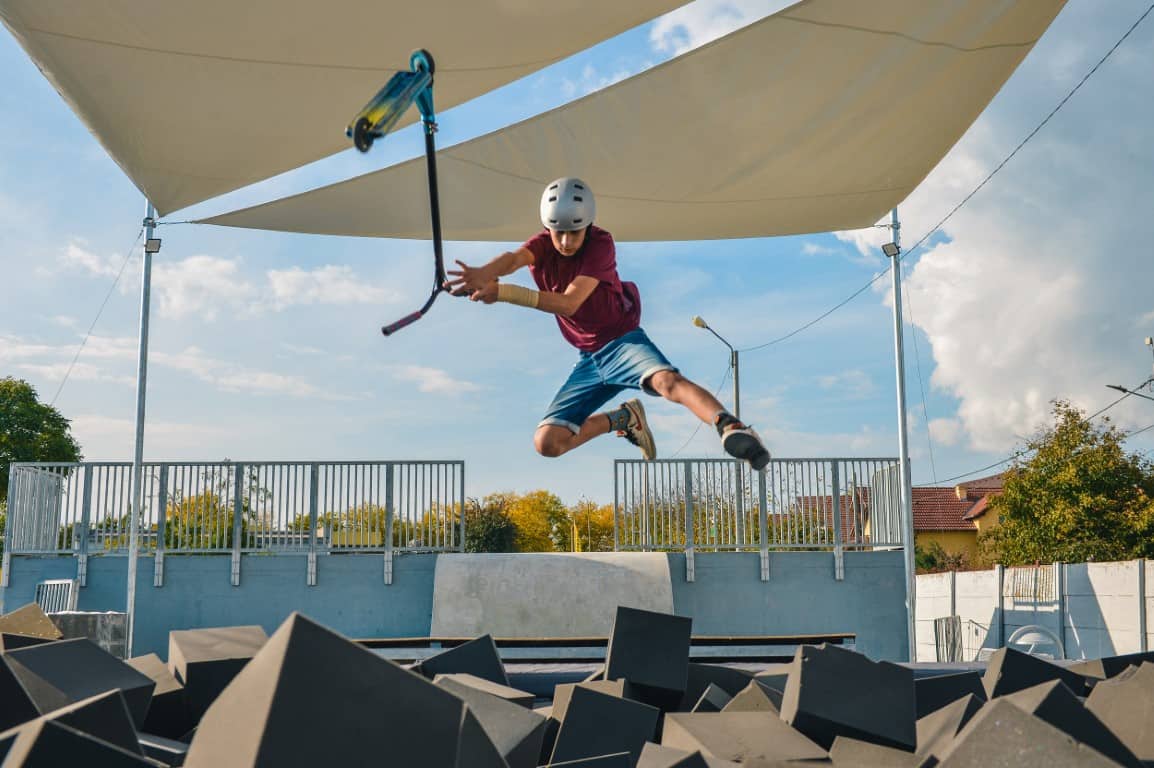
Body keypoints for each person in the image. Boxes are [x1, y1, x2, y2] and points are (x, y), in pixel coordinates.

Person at [445, 177, 771, 470]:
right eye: (558, 232)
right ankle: (624, 418)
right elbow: (514, 259)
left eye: (574, 232)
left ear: (588, 225)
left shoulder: (600, 245)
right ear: (548, 227)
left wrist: (500, 292)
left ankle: (729, 425)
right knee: (548, 443)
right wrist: (484, 272)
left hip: (622, 340)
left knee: (667, 383)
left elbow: (569, 303)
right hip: (589, 359)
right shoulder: (542, 245)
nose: (566, 241)